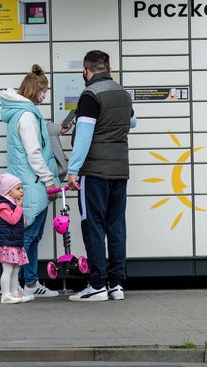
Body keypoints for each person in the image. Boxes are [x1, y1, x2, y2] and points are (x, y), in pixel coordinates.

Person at [66, 50, 136, 302]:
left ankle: (97, 284)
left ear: (85, 70)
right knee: (116, 226)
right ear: (109, 68)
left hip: (95, 171)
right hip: (120, 170)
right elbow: (133, 122)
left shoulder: (90, 95)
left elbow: (84, 136)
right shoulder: (122, 93)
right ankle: (116, 284)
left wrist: (73, 170)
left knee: (93, 225)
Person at [0, 64, 61, 298]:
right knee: (27, 236)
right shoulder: (27, 116)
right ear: (34, 89)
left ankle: (31, 283)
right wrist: (49, 180)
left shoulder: (21, 113)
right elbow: (34, 152)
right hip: (33, 182)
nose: (45, 95)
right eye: (43, 90)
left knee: (32, 237)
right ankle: (15, 287)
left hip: (27, 181)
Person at [0, 173, 31, 304]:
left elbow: (21, 221)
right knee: (8, 270)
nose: (22, 191)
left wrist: (19, 211)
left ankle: (14, 292)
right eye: (18, 188)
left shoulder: (12, 204)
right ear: (7, 191)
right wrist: (19, 208)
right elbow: (12, 219)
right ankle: (5, 295)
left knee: (15, 269)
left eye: (22, 188)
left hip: (14, 242)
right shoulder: (2, 205)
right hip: (7, 243)